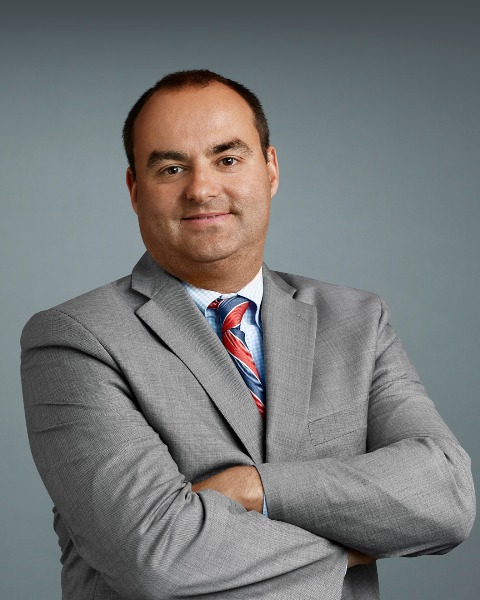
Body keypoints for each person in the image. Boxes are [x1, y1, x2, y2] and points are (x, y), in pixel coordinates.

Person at [21, 69, 475, 600]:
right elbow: (158, 558)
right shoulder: (75, 340)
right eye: (171, 168)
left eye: (228, 159)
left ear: (271, 168)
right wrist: (357, 541)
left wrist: (256, 488)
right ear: (135, 190)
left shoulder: (357, 321)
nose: (201, 189)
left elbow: (447, 498)